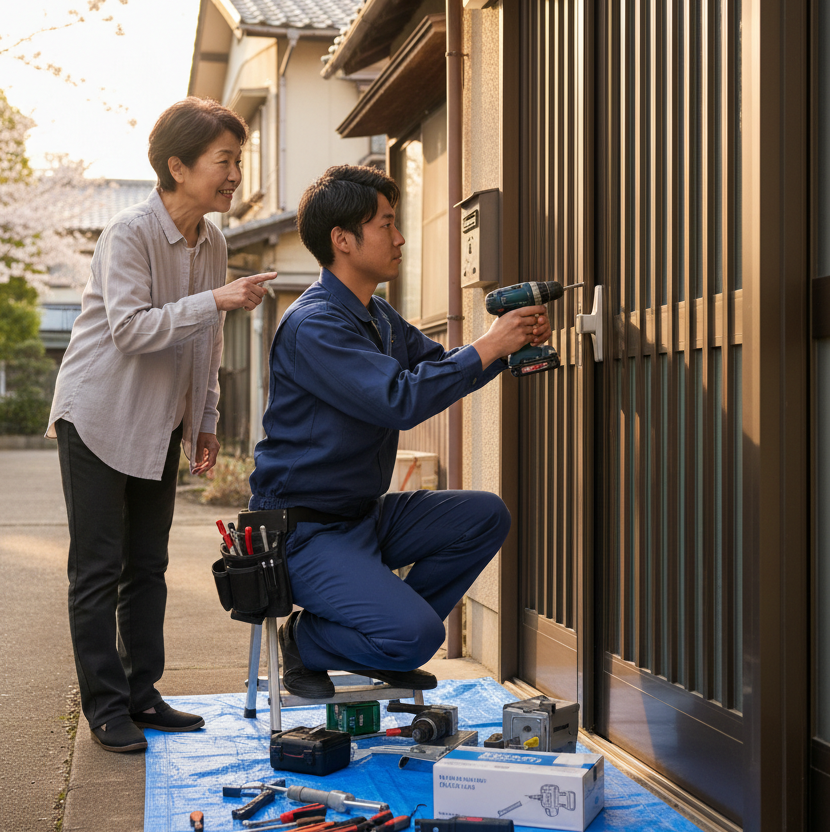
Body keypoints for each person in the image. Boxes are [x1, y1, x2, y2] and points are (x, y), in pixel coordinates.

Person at [248, 165, 550, 697]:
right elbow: (399, 399)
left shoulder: (379, 316)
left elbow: (440, 367)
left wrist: (509, 346)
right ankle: (307, 639)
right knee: (417, 637)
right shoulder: (314, 325)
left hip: (363, 516)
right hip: (304, 532)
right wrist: (491, 344)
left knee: (484, 516)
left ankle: (388, 636)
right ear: (343, 240)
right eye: (386, 225)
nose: (401, 238)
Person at [47, 97, 277, 751]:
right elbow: (129, 329)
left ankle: (141, 694)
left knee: (148, 565)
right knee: (98, 568)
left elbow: (206, 342)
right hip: (97, 415)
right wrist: (215, 298)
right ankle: (105, 708)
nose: (235, 175)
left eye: (238, 161)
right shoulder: (129, 233)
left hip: (159, 422)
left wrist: (204, 420)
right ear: (178, 166)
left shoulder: (215, 241)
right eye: (224, 161)